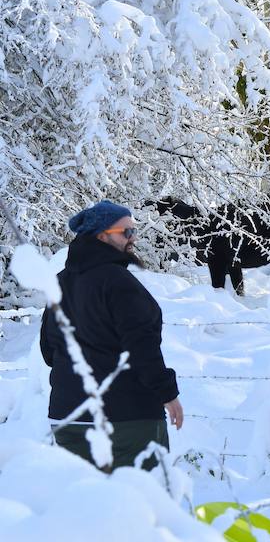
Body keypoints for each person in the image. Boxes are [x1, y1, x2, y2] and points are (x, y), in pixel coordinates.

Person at [40, 200, 183, 470]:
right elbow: (142, 348)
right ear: (102, 235)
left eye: (134, 230)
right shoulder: (119, 283)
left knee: (86, 505)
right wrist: (168, 394)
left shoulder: (59, 282)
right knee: (140, 504)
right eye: (126, 232)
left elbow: (49, 351)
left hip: (67, 418)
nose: (134, 238)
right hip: (125, 421)